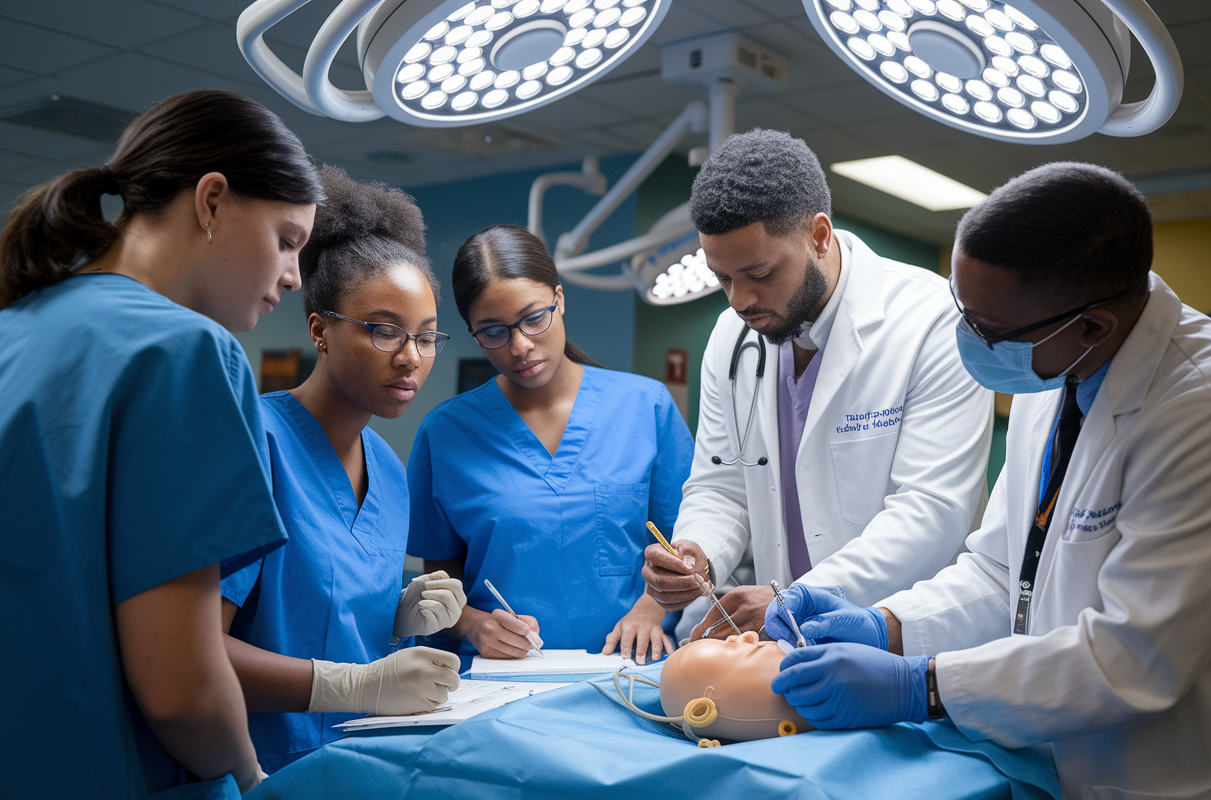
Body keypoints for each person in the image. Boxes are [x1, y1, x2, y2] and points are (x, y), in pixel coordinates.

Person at [767, 162, 1211, 800]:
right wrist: (887, 624)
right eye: (964, 309)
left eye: (990, 330)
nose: (968, 339)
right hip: (1060, 759)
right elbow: (1004, 571)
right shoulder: (1054, 367)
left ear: (1093, 325)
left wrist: (920, 684)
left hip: (1181, 773)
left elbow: (1135, 655)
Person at [0, 89, 323, 797]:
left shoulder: (14, 329)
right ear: (211, 201)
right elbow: (180, 689)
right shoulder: (185, 351)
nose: (294, 277)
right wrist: (250, 774)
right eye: (288, 240)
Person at [642, 129, 993, 638]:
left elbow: (932, 512)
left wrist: (798, 599)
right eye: (722, 278)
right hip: (781, 636)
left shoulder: (932, 319)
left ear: (820, 235)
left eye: (758, 272)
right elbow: (722, 486)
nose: (739, 300)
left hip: (902, 631)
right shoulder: (731, 339)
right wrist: (698, 554)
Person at [220, 167, 465, 772]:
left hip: (360, 762)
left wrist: (396, 616)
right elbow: (190, 653)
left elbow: (342, 627)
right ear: (319, 330)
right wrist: (354, 686)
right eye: (385, 331)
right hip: (255, 766)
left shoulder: (386, 466)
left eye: (428, 338)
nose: (411, 357)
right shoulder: (253, 441)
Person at [408, 224, 694, 664]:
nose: (520, 346)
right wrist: (473, 624)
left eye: (534, 317)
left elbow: (686, 542)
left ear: (560, 299)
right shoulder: (446, 433)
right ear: (471, 332)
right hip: (504, 678)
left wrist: (650, 609)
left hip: (630, 668)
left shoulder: (645, 407)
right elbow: (440, 573)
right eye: (493, 332)